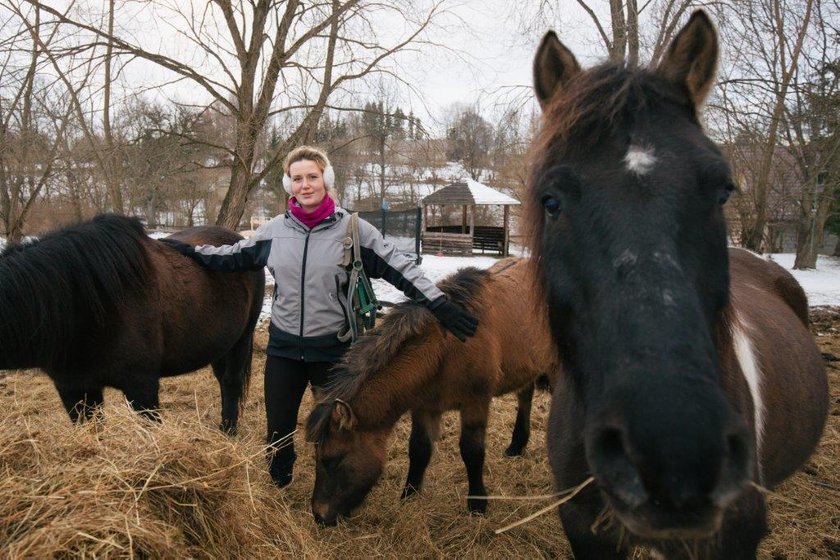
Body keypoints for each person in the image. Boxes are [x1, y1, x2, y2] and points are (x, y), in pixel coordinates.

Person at [161, 145, 478, 488]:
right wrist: (189, 251)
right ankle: (280, 482)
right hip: (283, 349)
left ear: (326, 179)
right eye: (297, 179)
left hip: (332, 352)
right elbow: (230, 257)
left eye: (312, 176)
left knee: (331, 432)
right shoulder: (273, 232)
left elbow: (399, 267)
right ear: (288, 185)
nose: (305, 185)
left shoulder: (354, 232)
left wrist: (439, 303)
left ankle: (325, 489)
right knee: (278, 430)